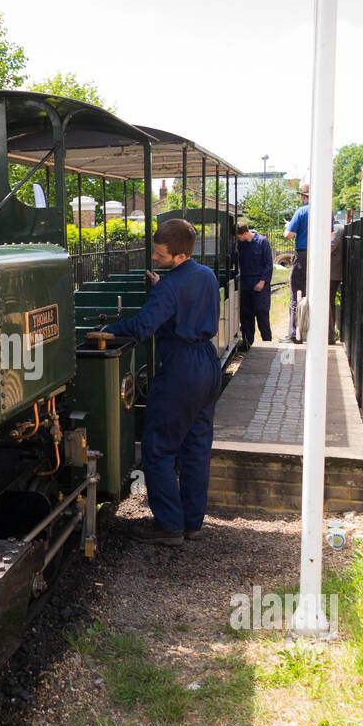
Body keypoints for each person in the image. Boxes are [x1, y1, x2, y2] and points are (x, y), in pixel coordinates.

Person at [93, 219, 222, 546]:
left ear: (179, 256)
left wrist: (109, 331)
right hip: (208, 362)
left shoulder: (169, 286)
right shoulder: (206, 275)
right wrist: (161, 285)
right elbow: (185, 298)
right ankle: (192, 522)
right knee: (196, 446)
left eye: (160, 256)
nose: (154, 259)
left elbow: (143, 327)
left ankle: (168, 526)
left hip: (179, 367)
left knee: (158, 446)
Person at [233, 219, 273, 349]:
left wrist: (262, 282)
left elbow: (268, 264)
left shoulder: (262, 242)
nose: (237, 239)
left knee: (262, 314)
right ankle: (247, 342)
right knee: (246, 314)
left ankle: (267, 342)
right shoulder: (240, 245)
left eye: (238, 236)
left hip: (260, 283)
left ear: (244, 233)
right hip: (245, 283)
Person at [283, 184, 310, 342]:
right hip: (319, 256)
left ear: (305, 197)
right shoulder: (327, 212)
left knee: (295, 295)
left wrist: (288, 226)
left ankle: (294, 334)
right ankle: (327, 334)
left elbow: (288, 235)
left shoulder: (301, 211)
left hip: (302, 255)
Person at [329, 223, 345, 343]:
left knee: (328, 303)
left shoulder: (337, 229)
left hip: (332, 273)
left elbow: (330, 246)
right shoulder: (338, 228)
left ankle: (329, 334)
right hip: (333, 272)